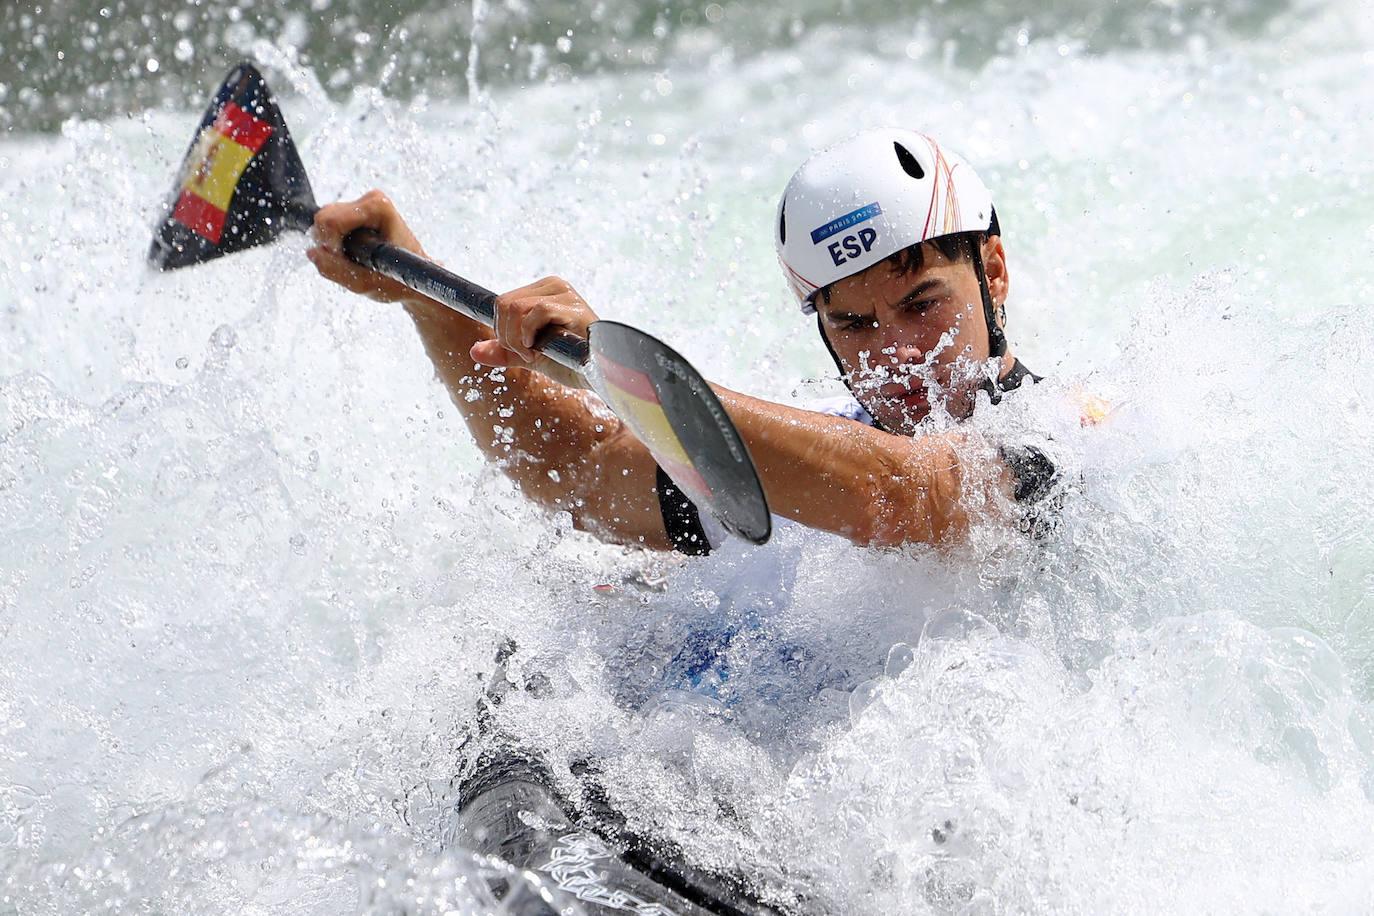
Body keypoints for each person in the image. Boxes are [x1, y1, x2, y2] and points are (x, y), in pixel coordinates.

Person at [306, 128, 1058, 555]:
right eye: (853, 324)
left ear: (992, 271)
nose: (896, 350)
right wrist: (425, 296)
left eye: (921, 303)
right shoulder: (806, 455)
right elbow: (575, 472)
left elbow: (904, 497)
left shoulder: (1073, 437)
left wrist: (626, 373)